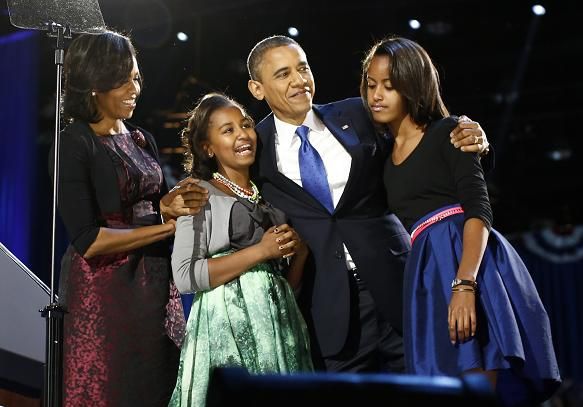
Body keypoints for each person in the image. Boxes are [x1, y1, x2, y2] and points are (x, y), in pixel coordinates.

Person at [244, 35, 490, 373]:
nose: (299, 81)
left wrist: (476, 141)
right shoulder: (254, 152)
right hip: (331, 313)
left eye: (303, 68)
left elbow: (426, 141)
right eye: (283, 74)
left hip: (403, 290)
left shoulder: (359, 113)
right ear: (257, 89)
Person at [360, 36, 561, 406]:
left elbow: (478, 211)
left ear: (412, 85)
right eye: (371, 85)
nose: (377, 94)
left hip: (467, 262)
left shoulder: (450, 132)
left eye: (389, 86)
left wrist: (464, 283)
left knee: (480, 379)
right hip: (425, 273)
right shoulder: (383, 161)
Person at [51, 31, 207, 406]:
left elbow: (151, 206)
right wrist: (166, 226)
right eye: (122, 80)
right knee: (111, 389)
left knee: (159, 385)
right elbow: (88, 240)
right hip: (104, 295)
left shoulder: (140, 138)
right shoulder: (75, 141)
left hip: (152, 286)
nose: (134, 87)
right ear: (94, 82)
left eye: (136, 77)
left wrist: (171, 206)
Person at [169, 93, 314, 407]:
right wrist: (260, 252)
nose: (242, 135)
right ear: (208, 147)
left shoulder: (269, 194)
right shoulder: (197, 193)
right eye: (227, 130)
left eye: (245, 125)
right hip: (226, 331)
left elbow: (277, 287)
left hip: (277, 327)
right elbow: (185, 276)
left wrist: (299, 255)